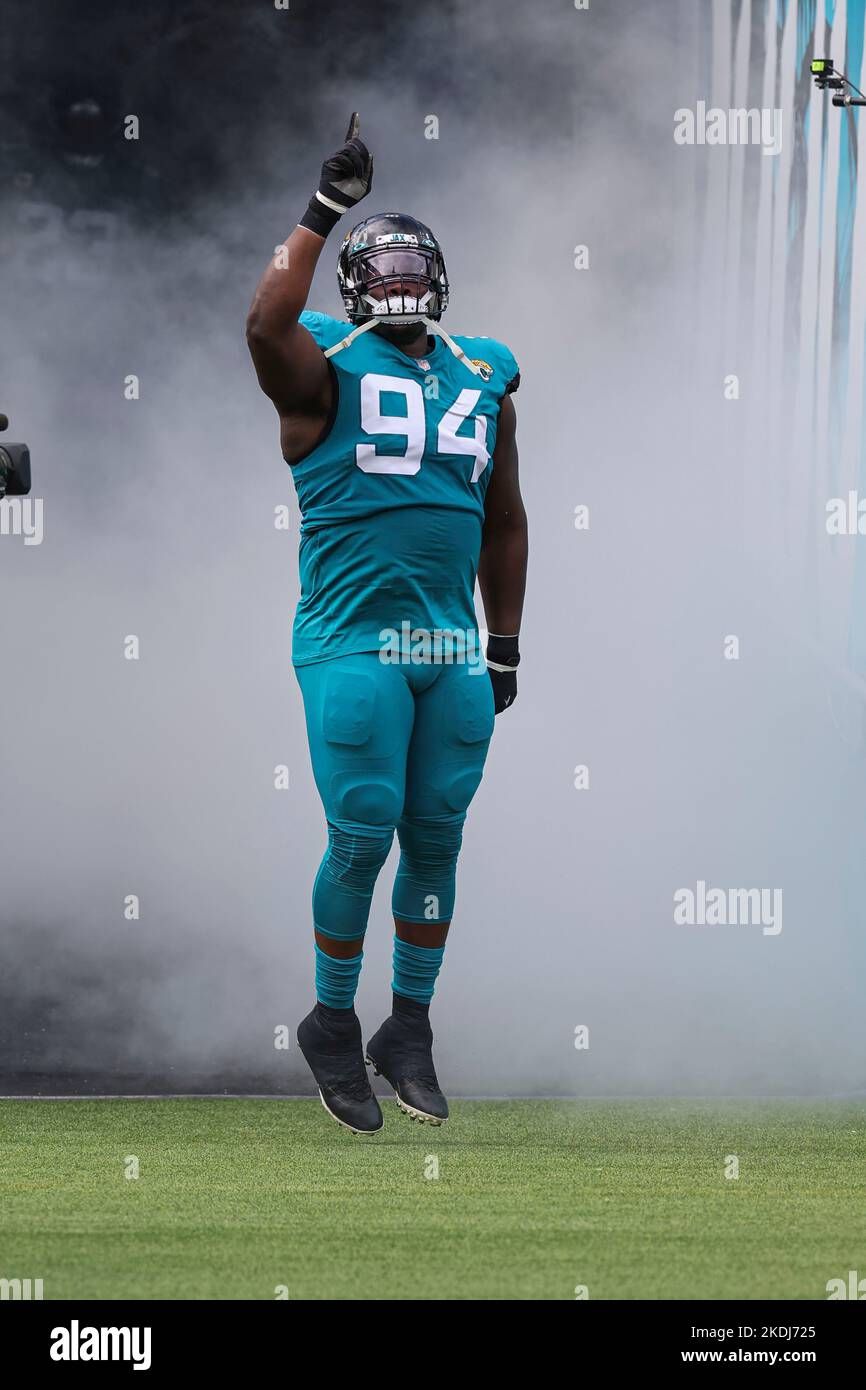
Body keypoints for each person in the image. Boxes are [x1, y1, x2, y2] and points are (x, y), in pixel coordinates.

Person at [246, 115, 527, 1134]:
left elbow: (503, 516)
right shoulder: (321, 362)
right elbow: (262, 325)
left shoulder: (482, 369)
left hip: (447, 644)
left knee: (438, 835)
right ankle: (330, 1018)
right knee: (361, 830)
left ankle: (406, 1026)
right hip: (353, 636)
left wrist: (503, 638)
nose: (402, 280)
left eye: (416, 263)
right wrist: (325, 210)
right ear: (351, 288)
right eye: (383, 265)